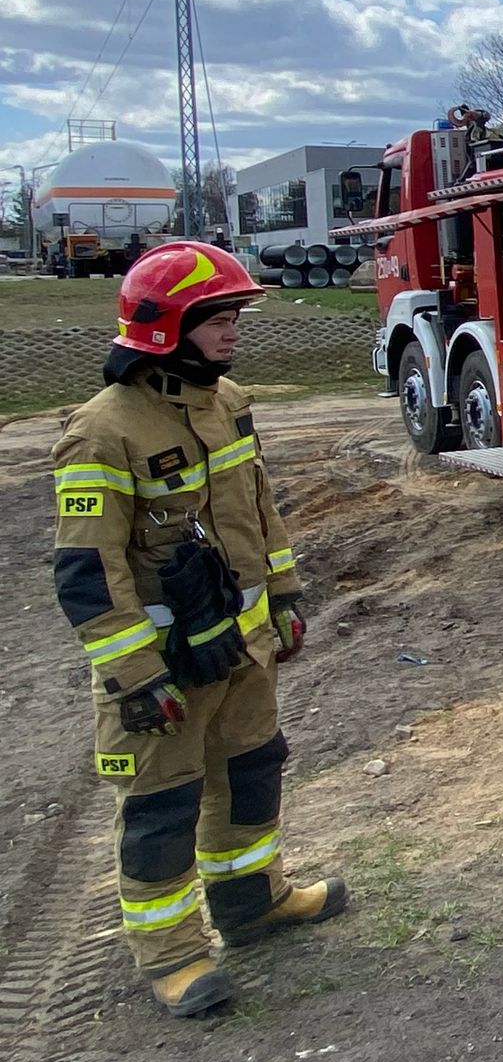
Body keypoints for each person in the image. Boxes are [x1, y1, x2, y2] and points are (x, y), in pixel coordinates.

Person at [50, 242, 346, 1018]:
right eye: (217, 318)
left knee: (251, 771)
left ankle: (254, 903)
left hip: (243, 648)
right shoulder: (102, 432)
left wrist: (282, 595)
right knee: (164, 805)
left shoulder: (227, 402)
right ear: (164, 328)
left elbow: (258, 506)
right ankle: (173, 955)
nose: (232, 331)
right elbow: (87, 570)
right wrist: (134, 676)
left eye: (233, 316)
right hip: (165, 668)